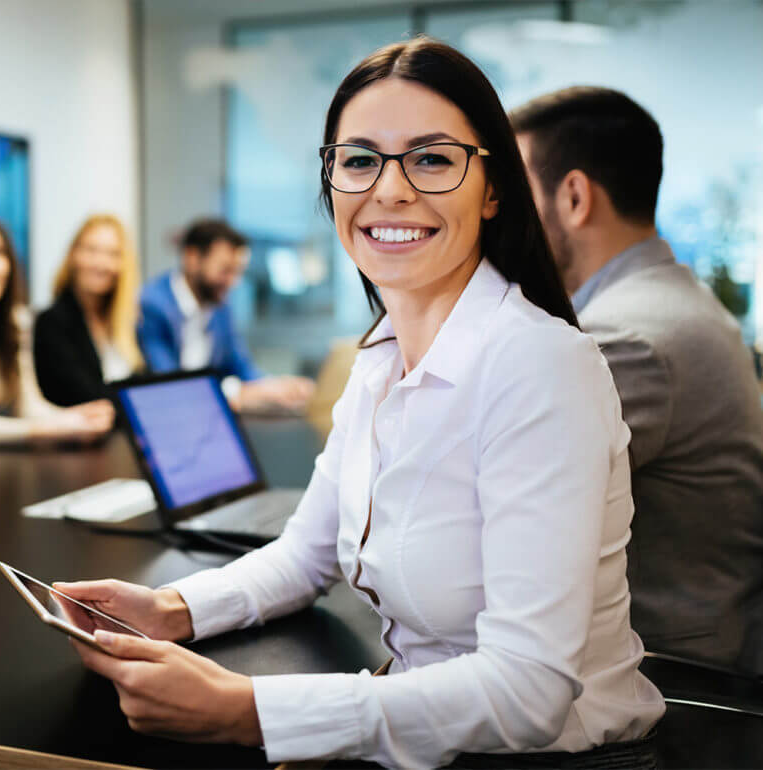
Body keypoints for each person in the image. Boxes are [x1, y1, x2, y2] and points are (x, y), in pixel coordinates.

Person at [58, 39, 664, 769]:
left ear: (493, 188)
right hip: (426, 736)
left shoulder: (540, 367)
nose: (391, 189)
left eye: (433, 158)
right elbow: (304, 557)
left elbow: (528, 690)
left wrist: (248, 712)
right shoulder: (380, 355)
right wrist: (173, 610)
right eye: (359, 159)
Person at [511, 87, 763, 673]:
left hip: (668, 688)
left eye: (516, 197)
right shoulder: (670, 301)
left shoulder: (628, 339)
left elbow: (483, 515)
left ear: (574, 196)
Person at [136, 218, 313, 412]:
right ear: (193, 258)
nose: (233, 282)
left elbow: (241, 365)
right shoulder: (153, 304)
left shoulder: (219, 306)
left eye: (237, 272)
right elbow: (170, 383)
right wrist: (239, 392)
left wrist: (276, 386)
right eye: (225, 270)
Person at [0, 218, 113, 443]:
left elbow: (28, 406)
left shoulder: (17, 323)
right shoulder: (54, 320)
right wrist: (41, 429)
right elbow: (34, 424)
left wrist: (74, 418)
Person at [34, 214, 143, 406]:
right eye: (91, 250)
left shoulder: (128, 320)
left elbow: (145, 381)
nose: (100, 263)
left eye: (112, 254)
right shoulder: (52, 323)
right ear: (73, 255)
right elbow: (84, 396)